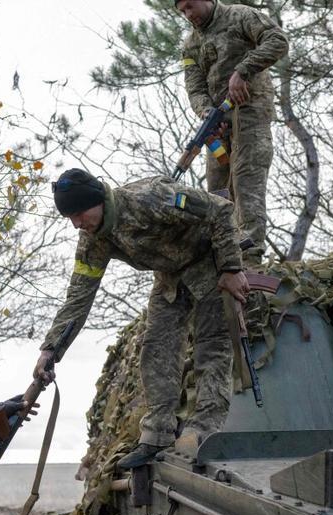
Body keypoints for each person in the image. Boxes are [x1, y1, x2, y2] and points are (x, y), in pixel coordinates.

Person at [34, 168, 249, 470]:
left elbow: (220, 209)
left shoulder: (151, 199)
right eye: (70, 218)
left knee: (211, 347)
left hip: (210, 264)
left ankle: (204, 431)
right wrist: (51, 350)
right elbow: (78, 298)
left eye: (80, 213)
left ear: (98, 201)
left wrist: (231, 267)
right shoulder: (93, 240)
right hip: (170, 278)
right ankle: (156, 436)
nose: (76, 224)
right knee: (156, 348)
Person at [176, 0, 288, 269]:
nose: (188, 15)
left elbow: (278, 40)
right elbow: (195, 87)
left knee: (246, 184)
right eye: (182, 11)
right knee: (217, 194)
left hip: (250, 116)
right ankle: (222, 263)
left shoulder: (240, 16)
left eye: (191, 6)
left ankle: (249, 261)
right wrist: (207, 115)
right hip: (218, 127)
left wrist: (243, 70)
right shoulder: (190, 44)